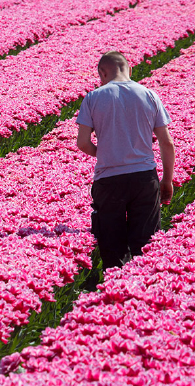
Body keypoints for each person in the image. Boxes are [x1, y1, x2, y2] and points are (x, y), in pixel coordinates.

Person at [76, 51, 175, 271]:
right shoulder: (149, 95)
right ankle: (144, 295)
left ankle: (116, 294)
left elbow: (82, 143)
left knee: (113, 246)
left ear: (103, 72)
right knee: (146, 244)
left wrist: (106, 153)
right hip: (144, 179)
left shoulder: (93, 98)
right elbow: (166, 143)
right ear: (130, 70)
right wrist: (166, 180)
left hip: (109, 181)